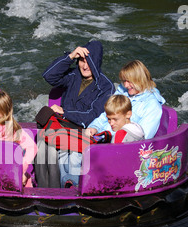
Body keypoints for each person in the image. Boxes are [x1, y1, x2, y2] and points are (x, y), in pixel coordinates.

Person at [36, 40, 115, 188]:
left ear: (96, 62)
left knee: (61, 153)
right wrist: (71, 56)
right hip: (60, 127)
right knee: (41, 146)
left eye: (89, 62)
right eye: (81, 60)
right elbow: (49, 76)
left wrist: (65, 113)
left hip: (81, 132)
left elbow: (92, 115)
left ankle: (64, 190)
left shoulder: (106, 86)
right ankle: (45, 191)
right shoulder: (73, 75)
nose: (85, 66)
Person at [62, 95, 145, 188]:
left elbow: (112, 165)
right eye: (109, 119)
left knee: (66, 178)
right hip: (131, 176)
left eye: (115, 119)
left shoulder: (120, 135)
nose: (111, 123)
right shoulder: (138, 130)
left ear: (128, 114)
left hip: (115, 182)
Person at [113, 60, 165, 139]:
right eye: (124, 81)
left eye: (129, 81)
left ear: (139, 80)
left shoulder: (152, 105)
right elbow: (105, 115)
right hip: (104, 136)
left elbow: (141, 138)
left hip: (122, 144)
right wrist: (94, 127)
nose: (126, 85)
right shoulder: (122, 92)